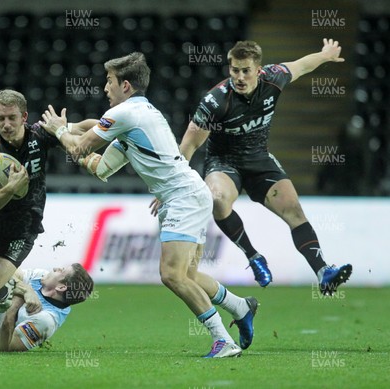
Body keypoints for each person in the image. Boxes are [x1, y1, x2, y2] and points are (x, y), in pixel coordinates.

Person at [41, 52, 256, 358]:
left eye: (109, 81)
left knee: (172, 275)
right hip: (185, 195)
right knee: (189, 276)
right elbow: (101, 168)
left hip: (183, 197)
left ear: (125, 86)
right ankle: (241, 306)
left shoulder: (126, 115)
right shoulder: (135, 116)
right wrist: (70, 127)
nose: (105, 88)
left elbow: (79, 149)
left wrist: (61, 131)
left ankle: (223, 339)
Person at [179, 39, 352, 295]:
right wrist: (172, 185)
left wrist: (325, 55)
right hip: (224, 163)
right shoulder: (215, 101)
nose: (239, 76)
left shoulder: (274, 77)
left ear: (258, 70)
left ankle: (323, 272)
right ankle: (253, 256)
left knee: (293, 210)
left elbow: (302, 66)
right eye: (234, 70)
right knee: (216, 200)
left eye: (245, 70)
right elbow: (188, 145)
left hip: (259, 159)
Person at [0, 89, 94, 310]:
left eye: (12, 118)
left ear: (24, 117)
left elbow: (84, 128)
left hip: (20, 231)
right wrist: (11, 187)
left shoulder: (40, 135)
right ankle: (14, 282)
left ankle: (7, 291)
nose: (7, 124)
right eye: (0, 119)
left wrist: (114, 126)